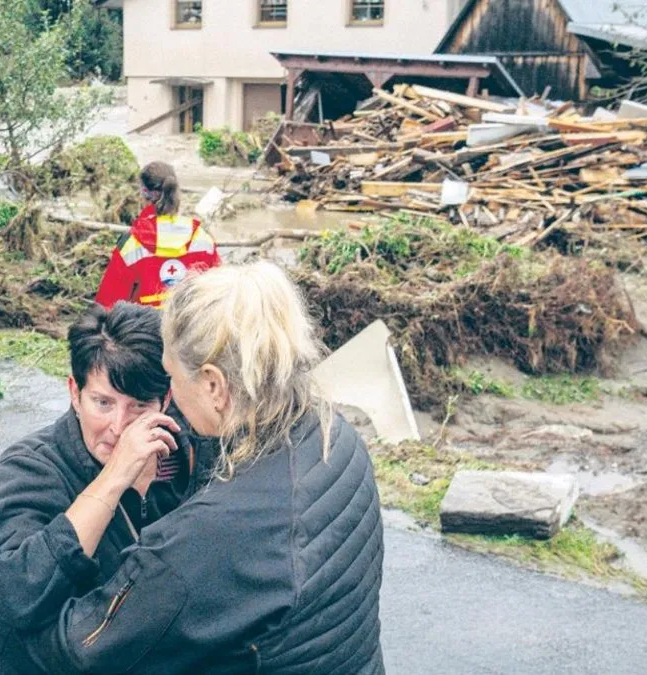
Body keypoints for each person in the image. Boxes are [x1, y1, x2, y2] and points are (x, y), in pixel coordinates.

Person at [24, 262, 385, 674]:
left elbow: (84, 647)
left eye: (171, 376)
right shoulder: (334, 435)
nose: (170, 395)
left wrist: (21, 614)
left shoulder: (206, 540)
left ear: (213, 384)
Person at [0, 302, 212, 675]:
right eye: (103, 403)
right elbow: (16, 594)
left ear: (165, 400)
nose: (119, 427)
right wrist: (114, 477)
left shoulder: (189, 453)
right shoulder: (30, 468)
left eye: (139, 406)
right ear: (74, 392)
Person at [94, 161, 221, 309]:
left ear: (143, 194)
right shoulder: (202, 238)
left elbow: (108, 304)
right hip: (189, 322)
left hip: (144, 322)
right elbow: (219, 293)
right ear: (176, 192)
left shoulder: (132, 243)